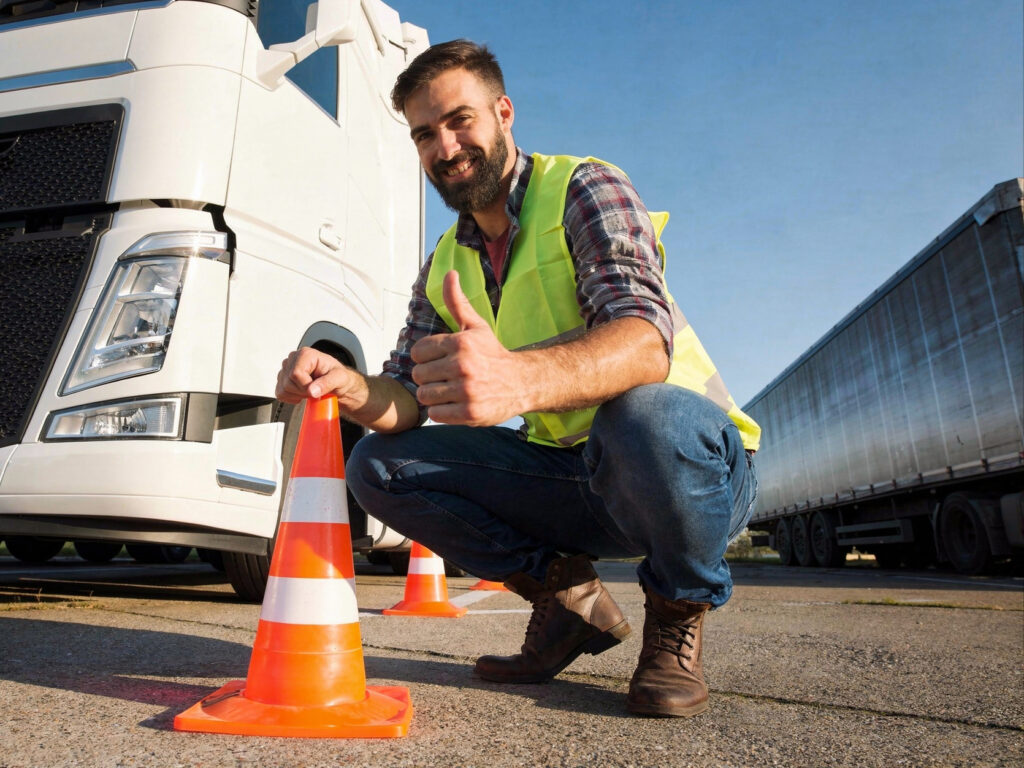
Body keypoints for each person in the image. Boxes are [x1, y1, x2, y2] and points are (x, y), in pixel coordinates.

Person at [276, 39, 761, 718]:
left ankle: (678, 611)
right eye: (424, 134)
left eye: (459, 120)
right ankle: (565, 601)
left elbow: (646, 341)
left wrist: (518, 383)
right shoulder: (448, 259)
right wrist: (352, 387)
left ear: (504, 112)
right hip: (576, 476)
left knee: (644, 417)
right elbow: (405, 398)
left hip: (689, 471)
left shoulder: (584, 188)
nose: (444, 148)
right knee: (377, 465)